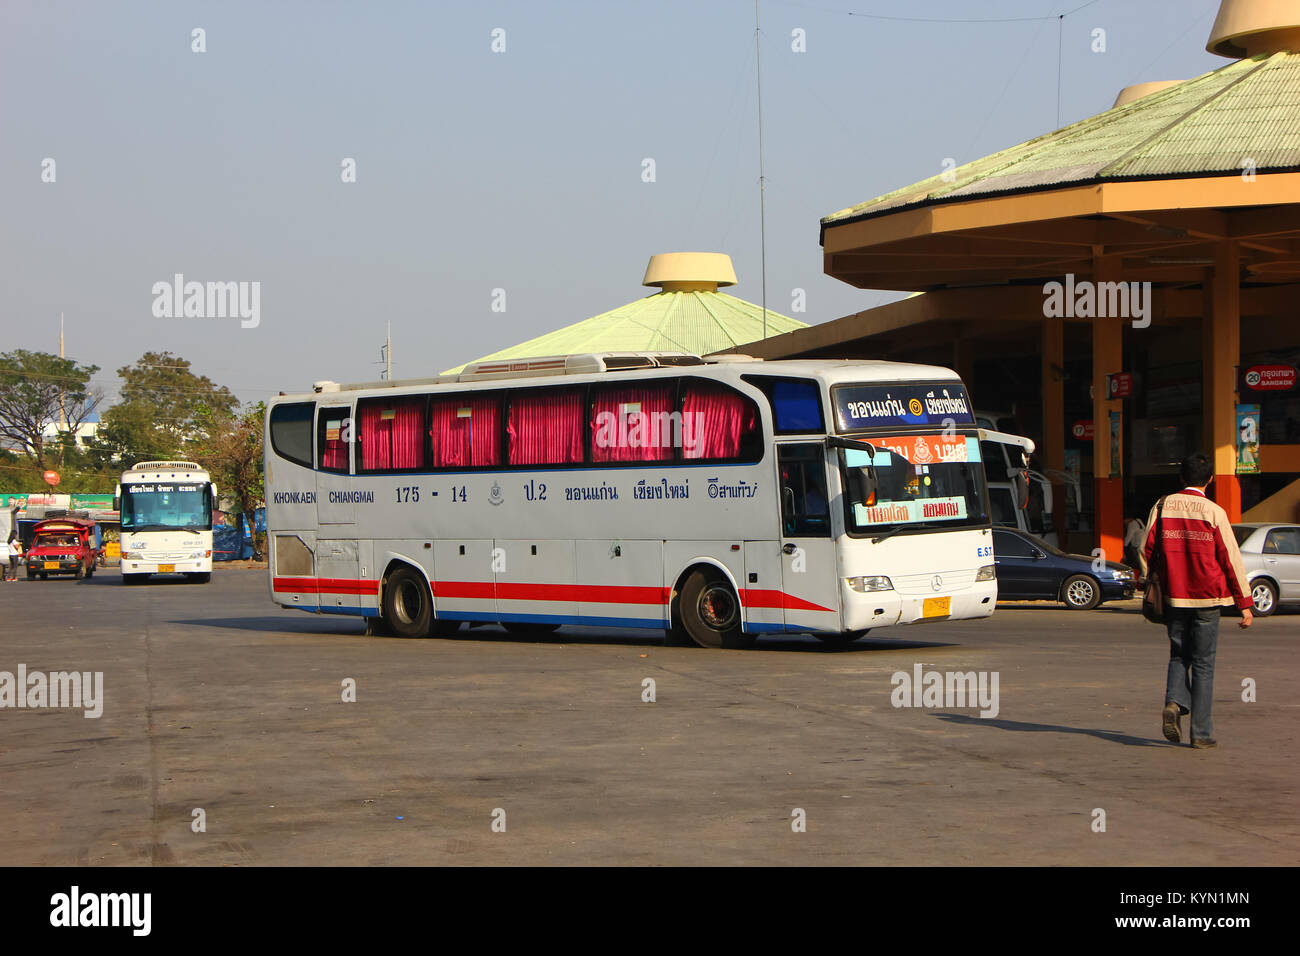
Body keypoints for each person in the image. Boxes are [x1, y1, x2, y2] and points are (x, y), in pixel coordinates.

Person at [1141, 452, 1253, 750]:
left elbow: (1146, 547)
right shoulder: (1214, 512)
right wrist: (1244, 602)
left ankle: (1175, 703)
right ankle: (1201, 734)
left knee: (1179, 655)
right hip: (1209, 597)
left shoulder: (1163, 506)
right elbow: (1230, 558)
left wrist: (1156, 578)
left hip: (1174, 597)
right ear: (1211, 480)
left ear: (1181, 477)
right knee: (1203, 664)